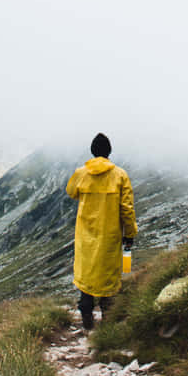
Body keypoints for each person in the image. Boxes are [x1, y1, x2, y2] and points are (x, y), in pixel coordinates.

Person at [66, 133, 138, 330]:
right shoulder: (120, 175)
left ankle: (87, 325)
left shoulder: (81, 173)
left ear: (92, 151)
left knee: (86, 278)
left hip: (85, 236)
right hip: (110, 236)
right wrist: (130, 233)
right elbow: (127, 209)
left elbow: (71, 192)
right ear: (109, 152)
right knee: (109, 279)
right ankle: (107, 326)